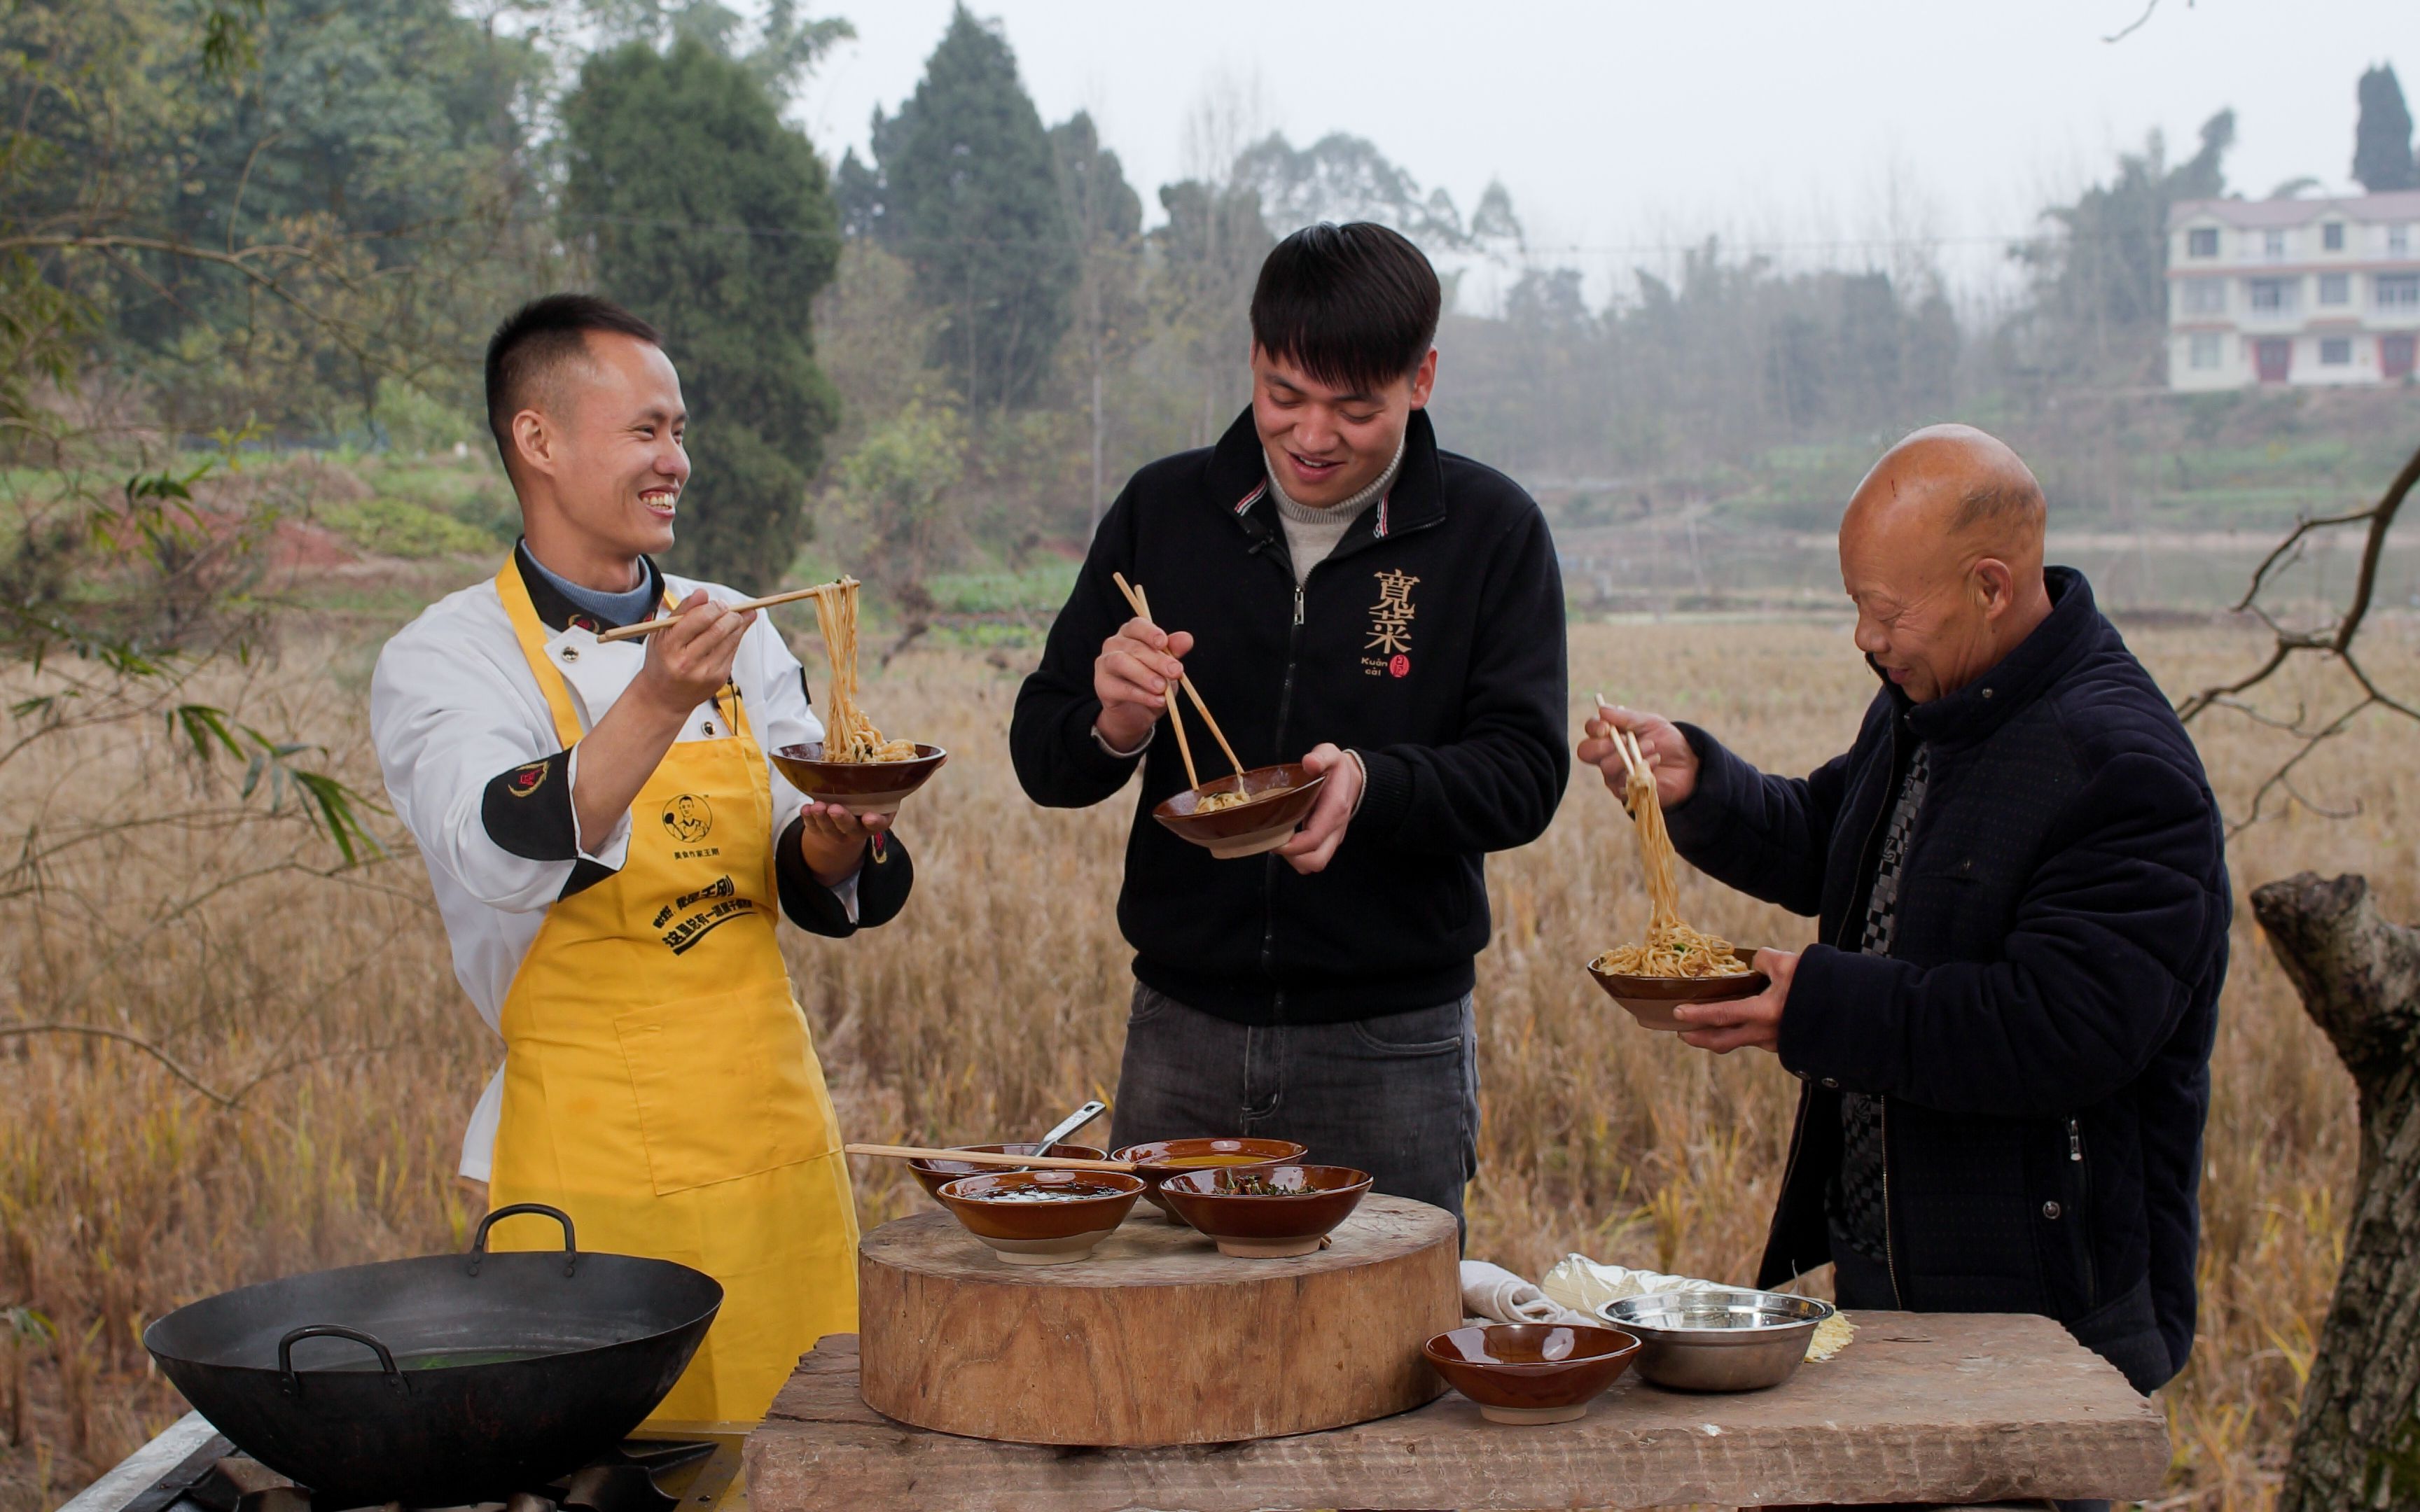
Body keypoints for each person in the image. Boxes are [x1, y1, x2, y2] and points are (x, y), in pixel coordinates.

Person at [1583, 425, 2227, 1412]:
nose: (1865, 640)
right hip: (1885, 1268)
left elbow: (2061, 1031)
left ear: (1990, 587)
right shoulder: (1928, 698)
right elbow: (1835, 842)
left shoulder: (2120, 768)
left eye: (1884, 612)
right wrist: (1698, 784)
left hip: (2041, 1307)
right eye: (1856, 607)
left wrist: (1819, 1007)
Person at [370, 294, 912, 1423]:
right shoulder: (448, 658)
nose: (678, 460)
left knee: (803, 1455)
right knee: (621, 1464)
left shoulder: (736, 628)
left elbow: (795, 865)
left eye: (680, 431)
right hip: (593, 1172)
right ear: (539, 439)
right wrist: (660, 697)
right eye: (647, 431)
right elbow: (498, 844)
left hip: (773, 1141)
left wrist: (832, 835)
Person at [1011, 223, 1568, 1236]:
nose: (1313, 437)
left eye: (1356, 408)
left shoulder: (1490, 532)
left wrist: (1372, 784)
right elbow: (1044, 755)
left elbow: (1525, 773)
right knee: (1165, 1349)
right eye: (1284, 396)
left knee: (1379, 1355)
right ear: (1254, 365)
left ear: (1422, 378)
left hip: (1391, 1045)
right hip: (1182, 1033)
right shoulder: (1164, 512)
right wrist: (1115, 718)